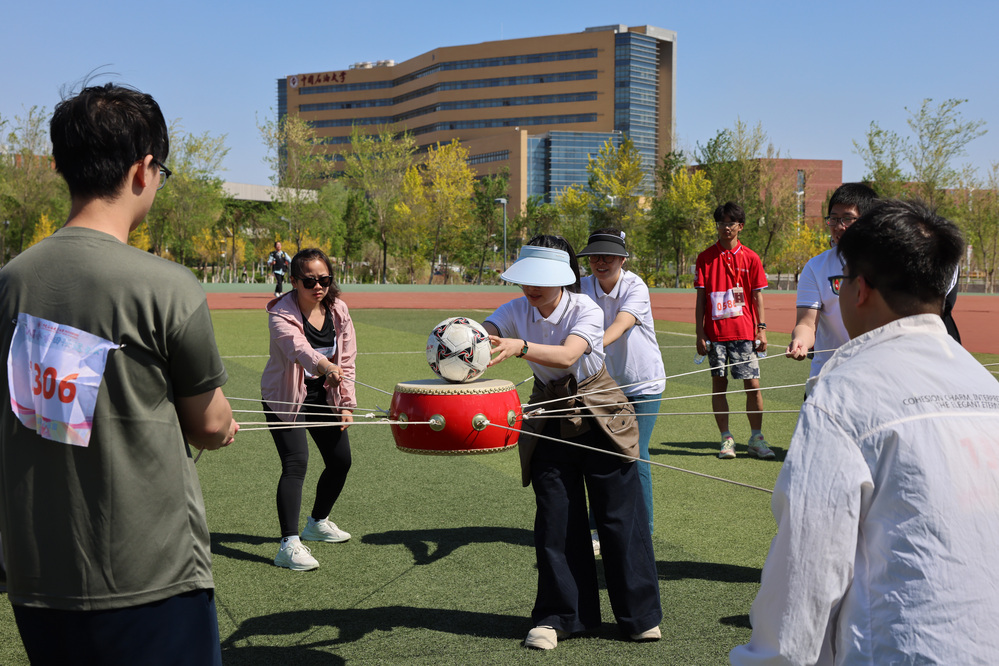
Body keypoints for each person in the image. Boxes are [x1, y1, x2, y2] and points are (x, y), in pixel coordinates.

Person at [0, 82, 238, 664]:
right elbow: (209, 424)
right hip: (150, 575)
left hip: (38, 573)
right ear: (144, 169)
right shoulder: (167, 286)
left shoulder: (12, 281)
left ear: (62, 166)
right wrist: (221, 424)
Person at [730, 199, 999, 664]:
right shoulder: (984, 385)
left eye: (843, 280)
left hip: (901, 648)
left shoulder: (844, 392)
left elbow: (807, 565)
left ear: (860, 289)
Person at [484, 235, 662, 651]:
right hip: (548, 415)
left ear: (564, 278)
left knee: (620, 517)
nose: (531, 288)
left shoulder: (586, 307)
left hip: (601, 412)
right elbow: (486, 331)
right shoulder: (514, 310)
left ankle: (639, 616)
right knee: (556, 515)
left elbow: (568, 356)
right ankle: (558, 616)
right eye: (526, 279)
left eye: (541, 279)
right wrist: (464, 339)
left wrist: (520, 346)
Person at [261, 248, 356, 571]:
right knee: (296, 462)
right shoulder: (280, 314)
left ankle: (317, 523)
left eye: (325, 279)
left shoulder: (338, 309)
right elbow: (297, 349)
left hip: (323, 396)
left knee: (341, 460)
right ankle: (288, 544)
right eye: (310, 280)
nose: (318, 286)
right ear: (294, 281)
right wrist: (325, 365)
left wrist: (346, 404)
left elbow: (348, 361)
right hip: (285, 397)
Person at [577, 228, 665, 543]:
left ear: (623, 259)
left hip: (643, 383)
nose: (601, 262)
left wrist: (584, 346)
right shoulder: (583, 287)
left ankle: (644, 529)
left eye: (609, 256)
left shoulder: (635, 286)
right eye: (595, 256)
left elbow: (620, 325)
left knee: (634, 453)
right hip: (603, 385)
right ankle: (596, 528)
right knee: (601, 453)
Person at [694, 202, 773, 460]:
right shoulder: (705, 257)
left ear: (740, 226)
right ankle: (726, 438)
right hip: (715, 335)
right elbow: (701, 299)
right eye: (721, 223)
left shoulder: (751, 257)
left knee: (753, 385)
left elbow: (757, 295)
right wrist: (699, 333)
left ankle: (756, 438)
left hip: (745, 333)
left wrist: (761, 329)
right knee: (719, 385)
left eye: (730, 223)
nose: (725, 227)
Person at [786, 183, 879, 393]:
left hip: (875, 382)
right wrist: (800, 340)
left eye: (847, 218)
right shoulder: (816, 267)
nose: (839, 226)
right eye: (834, 219)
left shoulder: (888, 265)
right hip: (826, 382)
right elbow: (807, 323)